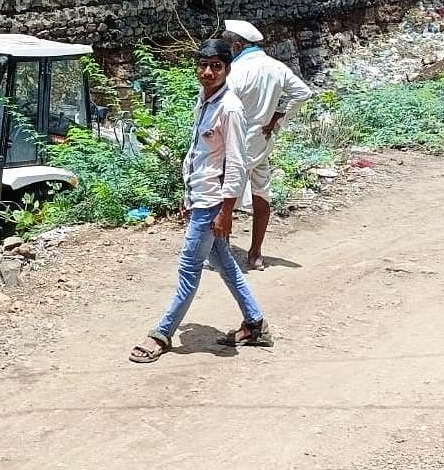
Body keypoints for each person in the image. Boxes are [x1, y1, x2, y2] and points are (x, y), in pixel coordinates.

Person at [129, 39, 272, 363]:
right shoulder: (205, 99)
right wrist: (188, 194)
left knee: (189, 268)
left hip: (213, 203)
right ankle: (255, 325)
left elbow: (236, 162)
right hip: (201, 197)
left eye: (216, 66)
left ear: (226, 68)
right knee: (224, 263)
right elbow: (199, 155)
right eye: (203, 65)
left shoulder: (230, 108)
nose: (208, 72)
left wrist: (226, 211)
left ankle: (161, 334)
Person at [220, 19, 313, 270]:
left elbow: (223, 109)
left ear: (238, 46)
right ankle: (256, 253)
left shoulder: (235, 73)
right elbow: (303, 93)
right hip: (262, 141)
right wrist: (278, 116)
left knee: (225, 198)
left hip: (235, 143)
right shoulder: (277, 67)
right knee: (261, 193)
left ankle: (224, 252)